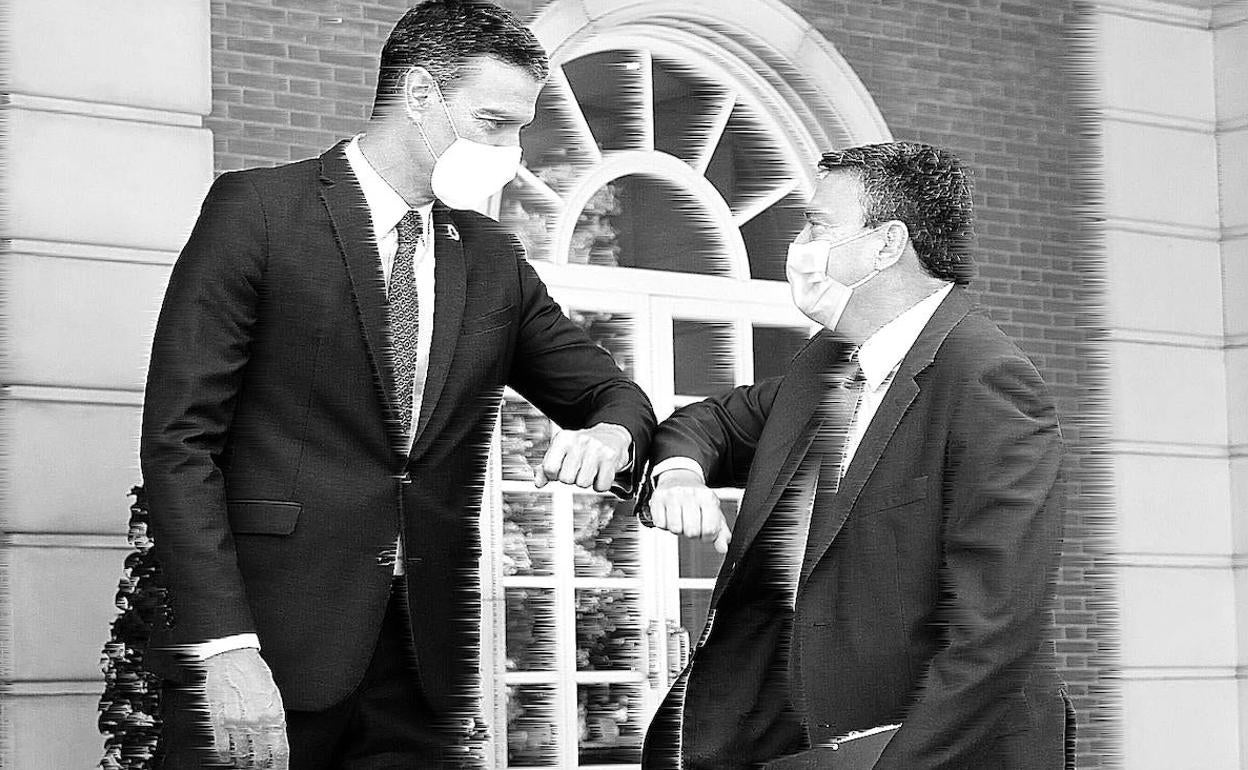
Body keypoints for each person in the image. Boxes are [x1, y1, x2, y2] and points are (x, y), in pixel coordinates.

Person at [140, 2, 655, 768]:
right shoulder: (259, 213)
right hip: (267, 649)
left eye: (521, 128)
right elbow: (180, 443)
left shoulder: (491, 257)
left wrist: (612, 433)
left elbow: (611, 393)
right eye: (493, 122)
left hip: (419, 672)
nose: (510, 152)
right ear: (419, 95)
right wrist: (224, 647)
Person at [639, 142, 1070, 769]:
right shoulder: (829, 363)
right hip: (789, 745)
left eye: (818, 225)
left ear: (887, 244)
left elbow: (995, 628)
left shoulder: (986, 380)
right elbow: (713, 424)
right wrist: (679, 474)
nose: (800, 244)